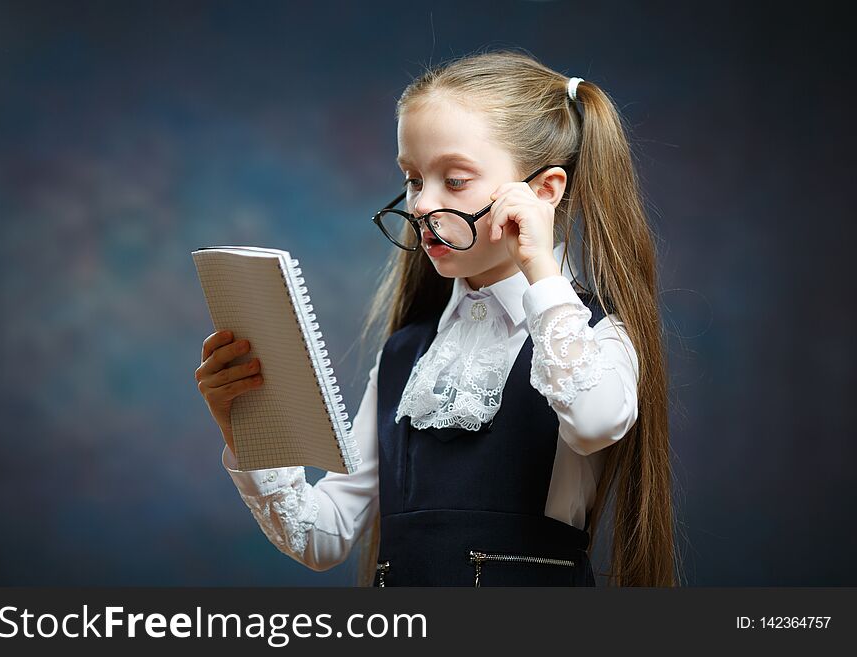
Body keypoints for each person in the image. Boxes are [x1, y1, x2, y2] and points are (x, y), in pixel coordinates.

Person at [195, 50, 677, 587]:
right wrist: (247, 423)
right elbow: (321, 534)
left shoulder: (591, 334)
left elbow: (594, 421)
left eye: (455, 178)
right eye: (413, 178)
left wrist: (542, 268)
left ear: (542, 192)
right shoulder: (405, 355)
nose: (422, 203)